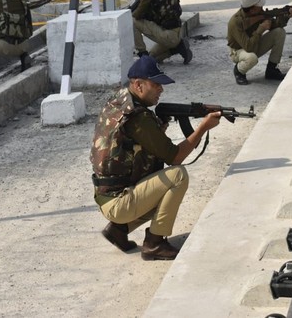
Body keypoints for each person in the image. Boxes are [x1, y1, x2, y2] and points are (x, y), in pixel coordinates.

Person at [90, 55, 221, 260]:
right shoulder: (139, 117)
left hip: (106, 195)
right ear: (139, 85)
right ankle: (155, 243)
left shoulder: (120, 101)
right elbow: (175, 157)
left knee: (159, 178)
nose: (161, 89)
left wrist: (158, 128)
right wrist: (204, 127)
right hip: (118, 202)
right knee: (177, 176)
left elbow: (132, 145)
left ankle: (118, 230)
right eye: (156, 84)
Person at [227, 0, 292, 85]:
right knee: (252, 58)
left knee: (279, 32)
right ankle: (239, 71)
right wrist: (260, 30)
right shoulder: (236, 22)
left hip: (254, 44)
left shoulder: (259, 14)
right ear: (252, 9)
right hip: (238, 51)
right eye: (259, 6)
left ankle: (271, 70)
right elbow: (248, 47)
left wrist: (287, 16)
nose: (262, 7)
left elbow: (276, 25)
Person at [131, 0, 192, 65]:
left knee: (132, 21)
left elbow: (137, 15)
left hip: (167, 35)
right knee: (153, 58)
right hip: (176, 32)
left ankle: (142, 56)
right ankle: (177, 48)